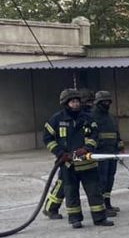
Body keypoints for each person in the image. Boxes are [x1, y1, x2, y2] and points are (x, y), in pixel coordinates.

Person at [42, 88, 114, 229]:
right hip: (68, 164)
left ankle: (99, 218)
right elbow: (47, 138)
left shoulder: (87, 118)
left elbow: (94, 136)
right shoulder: (57, 119)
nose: (76, 104)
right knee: (71, 192)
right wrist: (60, 152)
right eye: (72, 102)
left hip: (87, 163)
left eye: (77, 101)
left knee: (94, 192)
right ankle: (75, 219)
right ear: (65, 103)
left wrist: (87, 148)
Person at [91, 90, 123, 216]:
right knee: (101, 181)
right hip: (100, 154)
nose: (106, 104)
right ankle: (101, 207)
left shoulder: (111, 117)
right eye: (104, 101)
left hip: (112, 153)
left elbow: (116, 133)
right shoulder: (92, 116)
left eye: (108, 101)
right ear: (98, 102)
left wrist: (120, 147)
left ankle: (107, 203)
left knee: (110, 179)